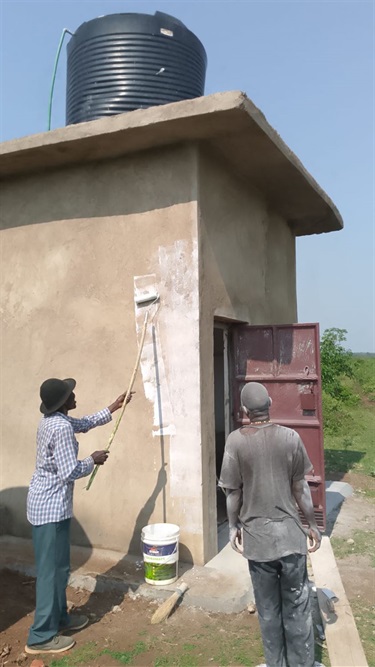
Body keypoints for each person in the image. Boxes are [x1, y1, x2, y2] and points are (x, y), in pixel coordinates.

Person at [25, 377, 133, 655]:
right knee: (50, 574)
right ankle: (40, 637)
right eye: (71, 395)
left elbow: (83, 423)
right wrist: (92, 460)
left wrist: (114, 406)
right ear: (63, 403)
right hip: (48, 509)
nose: (75, 397)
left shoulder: (55, 420)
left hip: (54, 507)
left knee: (60, 570)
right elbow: (68, 471)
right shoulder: (59, 427)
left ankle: (60, 619)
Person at [219, 382, 322, 667]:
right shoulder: (291, 437)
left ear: (243, 410)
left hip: (258, 541)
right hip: (291, 538)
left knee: (267, 611)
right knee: (297, 608)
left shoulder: (236, 441)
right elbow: (301, 487)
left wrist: (232, 527)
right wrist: (312, 525)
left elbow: (233, 492)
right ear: (271, 402)